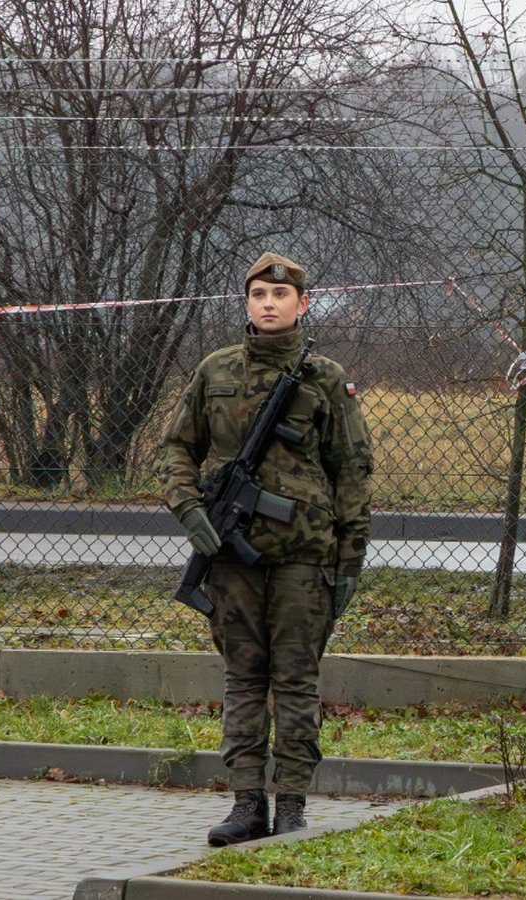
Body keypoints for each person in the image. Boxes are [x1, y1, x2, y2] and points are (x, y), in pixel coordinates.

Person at [156, 252, 373, 846]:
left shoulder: (324, 378)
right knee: (244, 679)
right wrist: (191, 512)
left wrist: (349, 559)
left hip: (306, 558)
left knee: (297, 680)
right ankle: (247, 802)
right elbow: (175, 450)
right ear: (247, 302)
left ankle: (293, 806)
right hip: (231, 558)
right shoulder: (214, 371)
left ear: (302, 304)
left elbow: (352, 470)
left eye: (280, 296)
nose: (268, 303)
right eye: (257, 294)